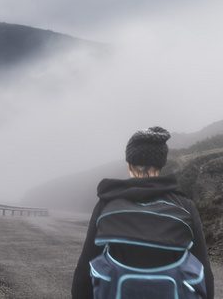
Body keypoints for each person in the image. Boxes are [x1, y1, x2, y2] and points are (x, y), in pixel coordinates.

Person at [71, 126, 214, 299]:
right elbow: (204, 271)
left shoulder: (106, 205)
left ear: (129, 165)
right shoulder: (185, 207)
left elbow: (84, 273)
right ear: (161, 165)